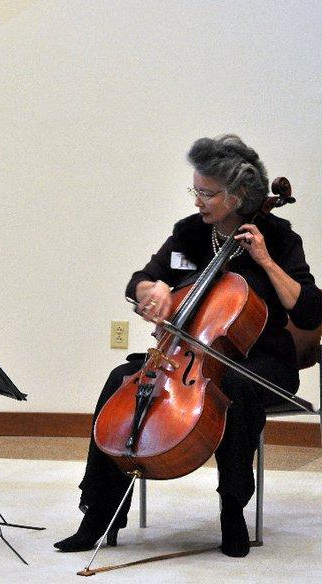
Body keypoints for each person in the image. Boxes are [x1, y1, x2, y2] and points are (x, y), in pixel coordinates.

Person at [54, 134, 322, 557]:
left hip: (261, 361)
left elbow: (309, 311)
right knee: (120, 378)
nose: (197, 200)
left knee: (234, 389)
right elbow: (140, 279)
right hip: (188, 356)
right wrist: (151, 289)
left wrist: (266, 262)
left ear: (238, 196)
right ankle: (99, 515)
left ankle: (232, 508)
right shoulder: (190, 233)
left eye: (207, 193)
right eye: (194, 190)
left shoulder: (279, 236)